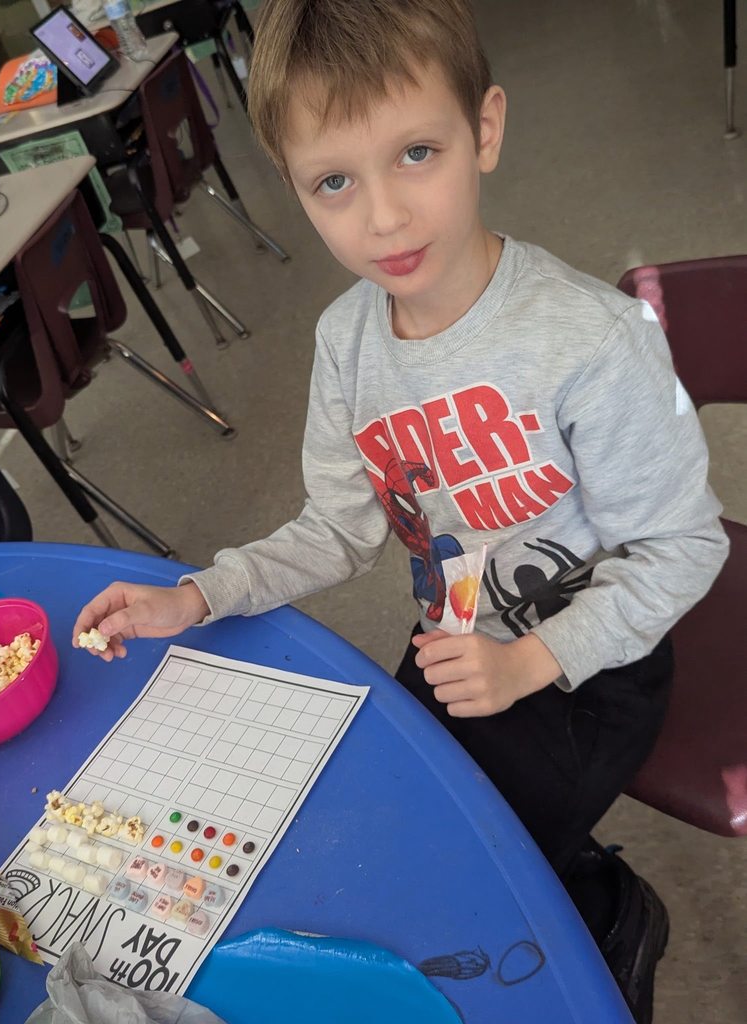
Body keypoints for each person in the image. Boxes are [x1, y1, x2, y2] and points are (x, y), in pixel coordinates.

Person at [72, 1, 728, 1019]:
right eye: (334, 180)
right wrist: (200, 594)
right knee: (374, 819)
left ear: (487, 130)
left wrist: (529, 662)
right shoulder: (348, 345)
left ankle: (606, 907)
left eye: (416, 152)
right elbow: (337, 526)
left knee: (460, 873)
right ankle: (567, 865)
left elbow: (682, 548)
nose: (381, 218)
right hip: (457, 645)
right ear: (293, 187)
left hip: (591, 668)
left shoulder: (590, 343)